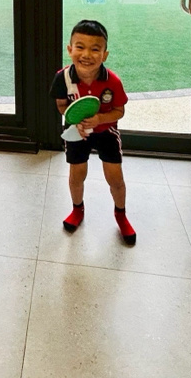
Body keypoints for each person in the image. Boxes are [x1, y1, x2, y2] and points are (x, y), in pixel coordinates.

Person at [50, 19, 135, 246]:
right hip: (77, 132)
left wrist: (99, 119)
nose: (86, 54)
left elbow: (119, 111)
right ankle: (77, 209)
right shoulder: (62, 78)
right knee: (77, 175)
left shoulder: (113, 81)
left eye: (95, 49)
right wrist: (74, 120)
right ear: (70, 49)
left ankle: (121, 214)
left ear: (104, 55)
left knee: (115, 178)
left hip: (106, 132)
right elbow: (61, 105)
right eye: (80, 47)